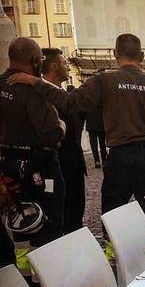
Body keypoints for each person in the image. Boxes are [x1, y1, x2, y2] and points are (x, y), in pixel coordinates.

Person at [9, 33, 145, 222]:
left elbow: (69, 102)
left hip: (122, 155)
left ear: (115, 54)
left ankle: (113, 248)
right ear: (141, 57)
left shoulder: (104, 81)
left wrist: (35, 81)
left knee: (113, 213)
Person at [0, 37, 66, 262]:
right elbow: (51, 133)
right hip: (38, 164)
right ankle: (46, 277)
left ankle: (24, 274)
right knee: (47, 223)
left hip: (7, 164)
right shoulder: (31, 89)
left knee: (18, 220)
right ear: (36, 60)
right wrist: (62, 128)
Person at [41, 48, 87, 234]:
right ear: (53, 66)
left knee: (75, 211)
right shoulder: (41, 95)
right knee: (59, 215)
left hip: (74, 163)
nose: (67, 67)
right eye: (63, 63)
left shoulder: (64, 94)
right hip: (55, 164)